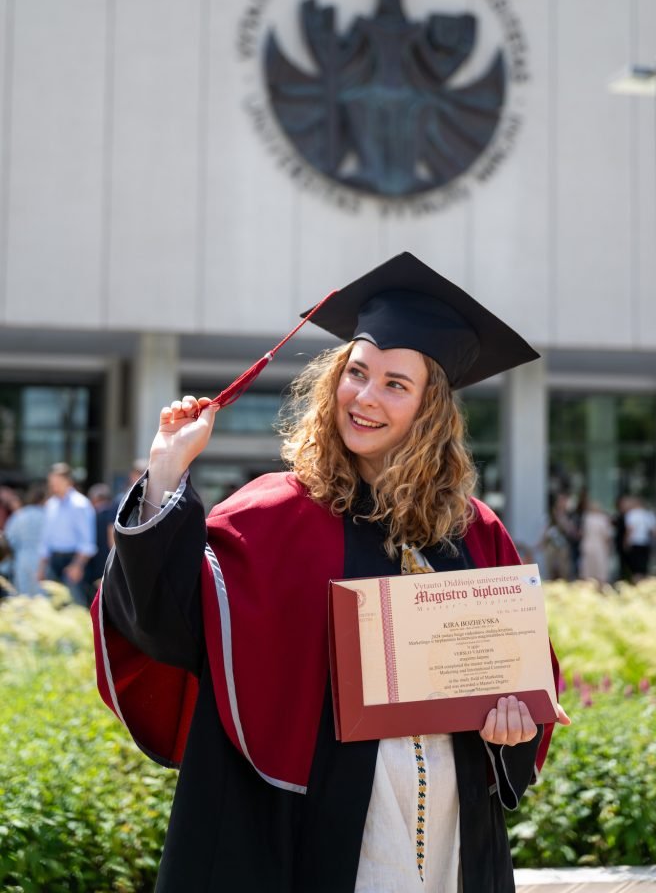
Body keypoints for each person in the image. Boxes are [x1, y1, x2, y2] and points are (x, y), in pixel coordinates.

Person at [93, 253, 568, 893]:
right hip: (319, 827)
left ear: (431, 410)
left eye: (395, 384)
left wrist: (514, 724)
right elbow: (168, 622)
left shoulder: (475, 531)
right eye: (357, 372)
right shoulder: (274, 514)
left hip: (452, 829)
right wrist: (166, 474)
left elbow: (521, 675)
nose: (365, 397)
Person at [38, 463, 97, 606]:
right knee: (53, 606)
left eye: (57, 482)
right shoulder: (51, 504)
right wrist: (41, 567)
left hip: (73, 560)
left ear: (69, 482)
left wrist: (78, 566)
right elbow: (46, 538)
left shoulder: (80, 504)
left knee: (75, 606)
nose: (53, 486)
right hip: (53, 561)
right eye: (51, 483)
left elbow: (87, 541)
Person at [4, 485, 46, 596]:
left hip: (22, 558)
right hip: (42, 560)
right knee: (42, 596)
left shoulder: (19, 515)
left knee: (23, 595)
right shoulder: (47, 515)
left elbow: (9, 539)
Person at [624, 495, 656, 581]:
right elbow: (655, 530)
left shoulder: (631, 514)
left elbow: (630, 529)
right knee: (643, 565)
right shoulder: (648, 515)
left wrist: (626, 542)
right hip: (645, 542)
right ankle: (643, 583)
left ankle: (637, 582)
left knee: (636, 566)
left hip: (635, 542)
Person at [579, 500, 613, 589]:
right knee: (600, 571)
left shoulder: (587, 518)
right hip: (599, 548)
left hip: (588, 547)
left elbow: (582, 533)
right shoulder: (602, 519)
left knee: (588, 571)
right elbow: (607, 536)